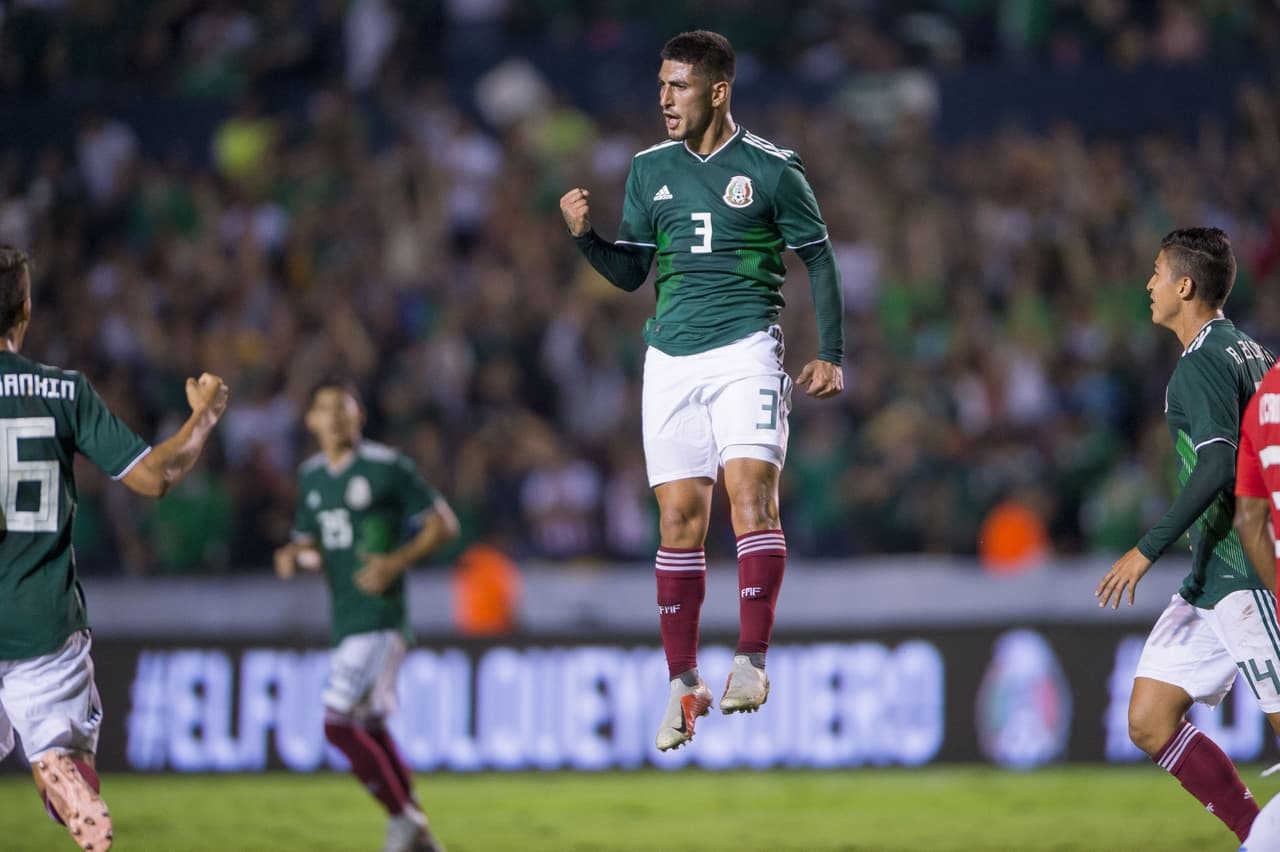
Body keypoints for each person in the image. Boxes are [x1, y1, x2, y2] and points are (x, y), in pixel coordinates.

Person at [558, 30, 844, 751]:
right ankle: (683, 681)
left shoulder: (772, 168)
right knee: (679, 521)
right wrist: (586, 237)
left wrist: (831, 353)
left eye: (678, 85)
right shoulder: (647, 168)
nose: (664, 98)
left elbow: (819, 258)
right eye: (660, 84)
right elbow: (633, 273)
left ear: (718, 91)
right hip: (670, 360)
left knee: (750, 498)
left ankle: (750, 660)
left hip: (746, 348)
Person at [0, 245, 229, 851]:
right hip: (42, 620)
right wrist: (204, 417)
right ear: (26, 309)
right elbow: (154, 478)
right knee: (61, 758)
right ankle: (60, 772)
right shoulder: (63, 391)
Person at [1095, 227, 1278, 844]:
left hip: (1248, 574)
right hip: (1212, 577)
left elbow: (1218, 463)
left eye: (1156, 272)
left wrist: (1146, 549)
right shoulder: (1254, 354)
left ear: (1185, 286)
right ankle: (1257, 836)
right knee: (1149, 719)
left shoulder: (1201, 363)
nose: (1148, 284)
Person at [273, 379, 459, 852]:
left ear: (360, 415)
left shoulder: (387, 467)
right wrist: (294, 555)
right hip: (345, 617)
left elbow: (444, 524)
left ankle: (402, 818)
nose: (334, 416)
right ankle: (417, 828)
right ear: (311, 421)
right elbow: (313, 544)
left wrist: (395, 562)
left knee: (337, 724)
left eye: (343, 407)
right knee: (370, 724)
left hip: (380, 615)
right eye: (324, 408)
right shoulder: (312, 477)